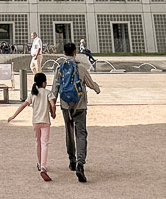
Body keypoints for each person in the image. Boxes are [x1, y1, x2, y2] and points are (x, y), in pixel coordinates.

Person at [54, 41, 101, 183]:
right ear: (75, 53)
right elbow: (92, 85)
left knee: (69, 131)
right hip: (80, 105)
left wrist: (52, 105)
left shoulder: (59, 68)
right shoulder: (81, 68)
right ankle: (81, 163)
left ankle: (72, 160)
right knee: (81, 133)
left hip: (65, 106)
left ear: (63, 53)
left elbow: (54, 88)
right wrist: (98, 89)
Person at [8, 72, 57, 180]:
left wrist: (13, 116)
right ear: (44, 83)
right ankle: (43, 166)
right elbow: (53, 105)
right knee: (45, 143)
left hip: (36, 122)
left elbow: (23, 105)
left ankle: (39, 164)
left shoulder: (33, 94)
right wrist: (53, 114)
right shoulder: (48, 93)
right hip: (45, 121)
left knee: (38, 142)